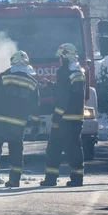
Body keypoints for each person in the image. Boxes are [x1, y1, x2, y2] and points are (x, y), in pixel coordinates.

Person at [0, 51, 40, 188]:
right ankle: (14, 180)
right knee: (16, 150)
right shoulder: (32, 82)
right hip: (18, 124)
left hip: (0, 121)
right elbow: (35, 105)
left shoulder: (3, 76)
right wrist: (36, 123)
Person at [41, 43, 87, 187]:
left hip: (64, 119)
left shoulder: (63, 71)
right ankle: (77, 178)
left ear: (64, 57)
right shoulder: (79, 71)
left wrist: (56, 117)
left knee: (53, 148)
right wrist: (51, 85)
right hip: (77, 118)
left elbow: (63, 98)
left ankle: (50, 179)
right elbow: (70, 93)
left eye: (60, 57)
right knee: (74, 148)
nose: (59, 60)